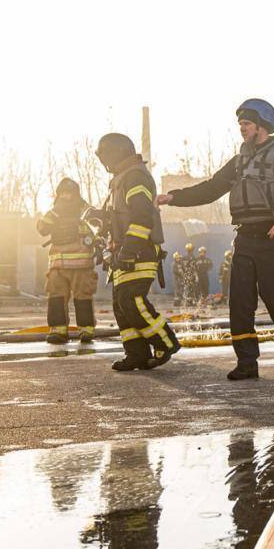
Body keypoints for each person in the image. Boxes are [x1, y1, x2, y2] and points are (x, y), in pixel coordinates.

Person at [157, 99, 274, 380]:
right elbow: (212, 188)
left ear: (262, 126)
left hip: (273, 238)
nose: (242, 128)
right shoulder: (239, 161)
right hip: (245, 238)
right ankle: (247, 362)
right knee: (239, 301)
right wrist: (174, 197)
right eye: (240, 124)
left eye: (247, 123)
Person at [95, 133, 181, 371]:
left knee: (131, 300)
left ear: (118, 152)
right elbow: (120, 217)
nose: (104, 162)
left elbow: (142, 215)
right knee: (120, 305)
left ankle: (165, 342)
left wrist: (130, 249)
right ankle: (136, 354)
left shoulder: (135, 177)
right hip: (122, 252)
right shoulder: (121, 179)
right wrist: (99, 218)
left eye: (105, 156)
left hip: (139, 251)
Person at [35, 177, 98, 344]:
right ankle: (58, 331)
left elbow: (98, 224)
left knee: (82, 296)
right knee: (56, 296)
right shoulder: (54, 212)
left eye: (69, 193)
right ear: (59, 194)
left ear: (76, 193)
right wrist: (51, 216)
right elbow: (42, 229)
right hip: (58, 265)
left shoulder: (84, 210)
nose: (66, 196)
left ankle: (86, 330)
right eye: (63, 193)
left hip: (81, 264)